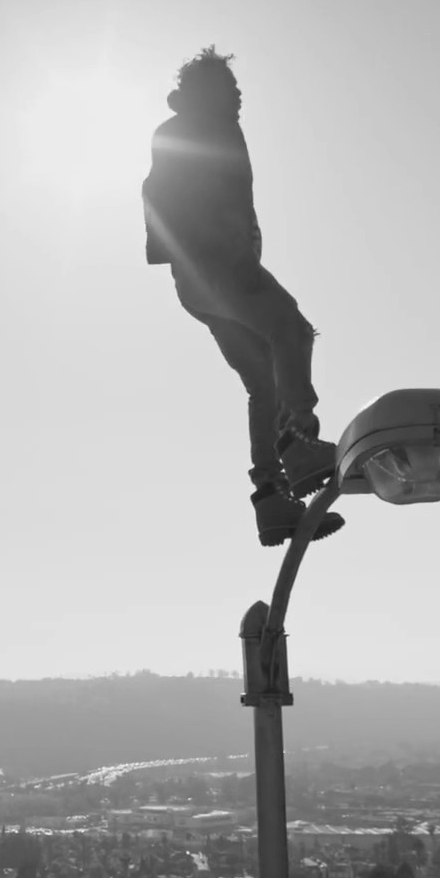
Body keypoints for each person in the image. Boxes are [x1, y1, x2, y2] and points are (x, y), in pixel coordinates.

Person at [142, 46, 345, 547]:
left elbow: (160, 196)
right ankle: (297, 446)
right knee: (290, 330)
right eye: (230, 88)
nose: (238, 96)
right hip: (220, 268)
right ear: (208, 90)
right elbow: (180, 198)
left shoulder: (181, 129)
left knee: (263, 383)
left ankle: (272, 500)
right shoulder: (202, 126)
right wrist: (234, 261)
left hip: (198, 280)